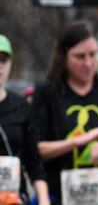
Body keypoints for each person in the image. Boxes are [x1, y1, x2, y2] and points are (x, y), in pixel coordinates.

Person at [31, 21, 98, 205]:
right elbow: (35, 150)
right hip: (59, 195)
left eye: (93, 55)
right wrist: (80, 140)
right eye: (80, 56)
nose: (88, 63)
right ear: (64, 56)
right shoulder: (47, 93)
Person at [0, 34, 50, 205]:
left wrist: (43, 200)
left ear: (10, 64)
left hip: (14, 199)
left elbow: (34, 162)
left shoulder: (21, 107)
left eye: (3, 60)